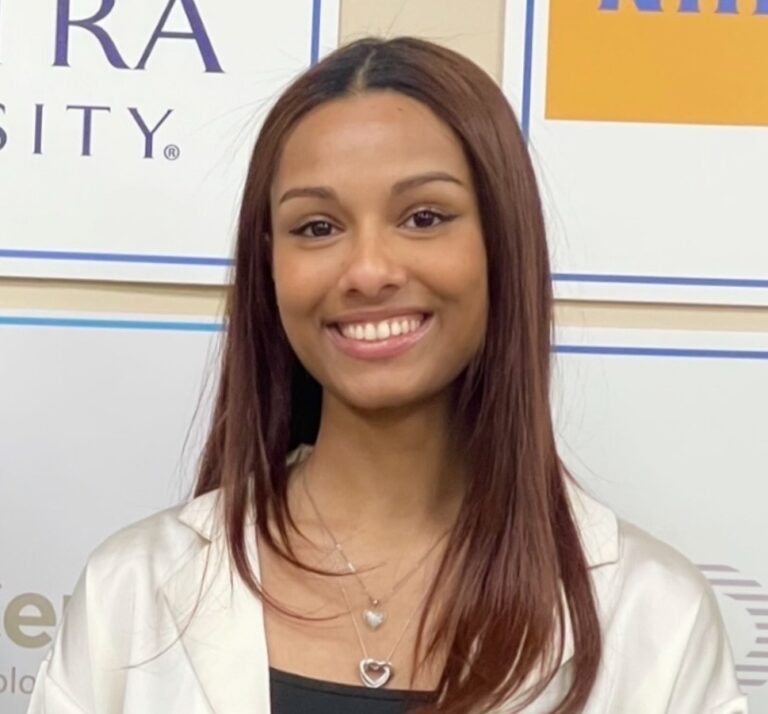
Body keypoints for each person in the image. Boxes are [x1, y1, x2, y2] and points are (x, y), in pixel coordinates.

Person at [27, 36, 747, 714]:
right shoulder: (131, 591)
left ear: (503, 243)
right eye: (317, 227)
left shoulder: (656, 619)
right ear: (270, 264)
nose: (368, 271)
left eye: (424, 217)